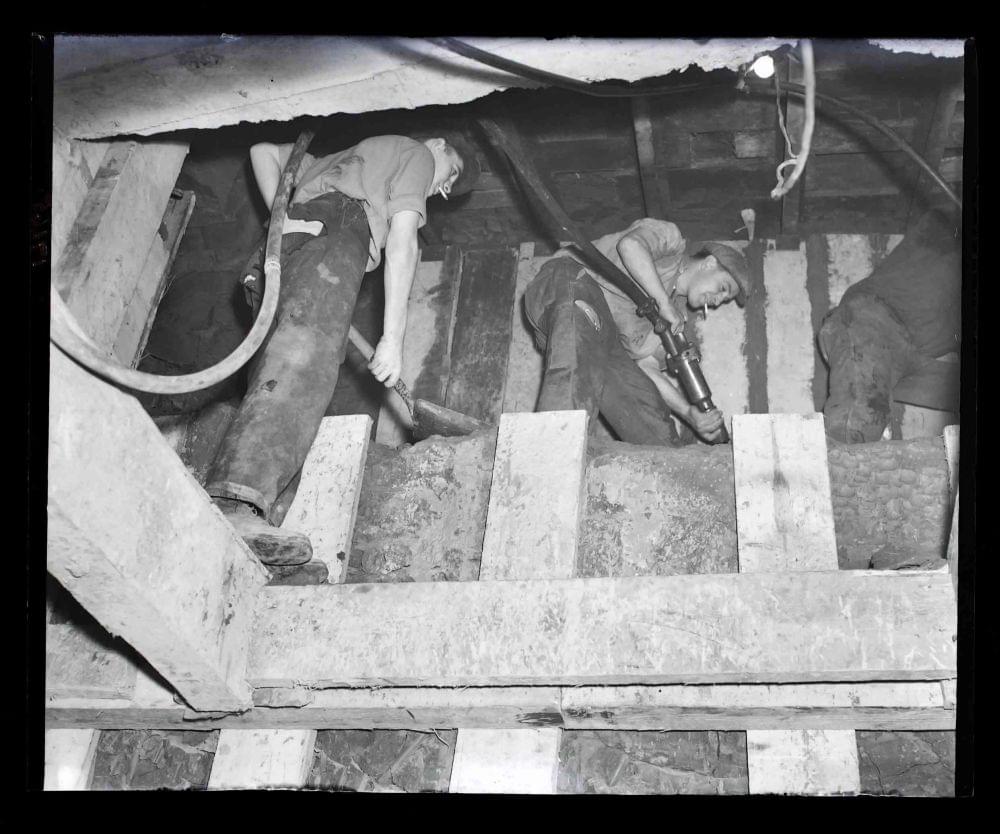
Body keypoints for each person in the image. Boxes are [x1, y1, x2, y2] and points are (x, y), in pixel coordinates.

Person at [205, 132, 480, 567]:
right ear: (440, 144)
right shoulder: (417, 156)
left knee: (291, 378)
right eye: (452, 174)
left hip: (282, 252)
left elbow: (263, 150)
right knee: (303, 365)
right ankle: (235, 505)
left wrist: (284, 218)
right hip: (337, 235)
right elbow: (404, 242)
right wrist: (393, 339)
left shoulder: (341, 159)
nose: (443, 189)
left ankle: (259, 536)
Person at [523, 217, 750, 446]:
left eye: (725, 299)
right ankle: (554, 451)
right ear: (709, 263)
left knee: (646, 409)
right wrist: (663, 303)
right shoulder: (671, 240)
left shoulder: (675, 317)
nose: (719, 300)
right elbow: (630, 246)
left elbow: (646, 366)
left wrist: (690, 413)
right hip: (569, 281)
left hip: (602, 335)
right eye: (723, 288)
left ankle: (664, 469)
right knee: (579, 351)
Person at [818, 206, 962, 444]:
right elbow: (942, 212)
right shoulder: (948, 225)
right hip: (876, 322)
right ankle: (841, 468)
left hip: (914, 353)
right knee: (857, 423)